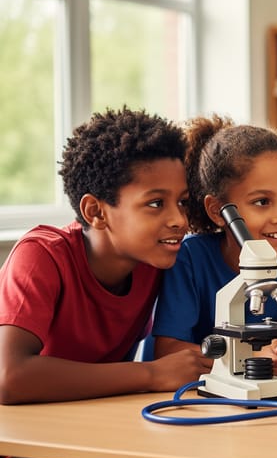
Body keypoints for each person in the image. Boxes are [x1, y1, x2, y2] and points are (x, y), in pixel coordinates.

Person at [0, 107, 208, 404]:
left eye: (183, 202)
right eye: (156, 203)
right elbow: (9, 378)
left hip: (88, 425)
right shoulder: (40, 257)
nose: (179, 220)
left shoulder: (153, 261)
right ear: (96, 212)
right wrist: (151, 374)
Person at [152, 115, 277, 380]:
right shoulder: (189, 257)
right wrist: (249, 360)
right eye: (262, 201)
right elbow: (168, 349)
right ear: (218, 211)